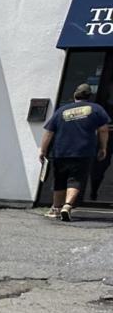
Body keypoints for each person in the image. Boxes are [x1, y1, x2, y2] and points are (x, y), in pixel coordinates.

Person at [39, 84, 110, 221]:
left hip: (61, 151)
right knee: (76, 179)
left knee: (60, 179)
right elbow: (103, 130)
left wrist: (43, 150)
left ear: (74, 95)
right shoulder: (96, 109)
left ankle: (56, 209)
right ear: (90, 96)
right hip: (83, 151)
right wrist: (103, 148)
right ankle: (67, 205)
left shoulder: (62, 110)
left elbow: (49, 132)